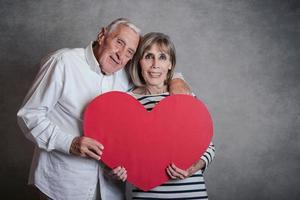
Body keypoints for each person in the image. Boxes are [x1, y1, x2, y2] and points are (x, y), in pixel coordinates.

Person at [17, 18, 190, 200]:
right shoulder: (63, 62)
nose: (120, 55)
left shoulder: (125, 74)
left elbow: (153, 71)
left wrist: (176, 79)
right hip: (63, 184)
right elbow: (29, 115)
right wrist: (70, 143)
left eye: (129, 51)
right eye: (119, 42)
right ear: (102, 35)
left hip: (110, 188)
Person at [124, 32, 215, 199]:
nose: (155, 64)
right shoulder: (127, 102)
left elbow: (208, 146)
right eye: (148, 56)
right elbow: (123, 151)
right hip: (148, 194)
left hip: (190, 192)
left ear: (171, 64)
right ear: (139, 62)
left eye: (162, 57)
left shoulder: (184, 95)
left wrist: (192, 168)